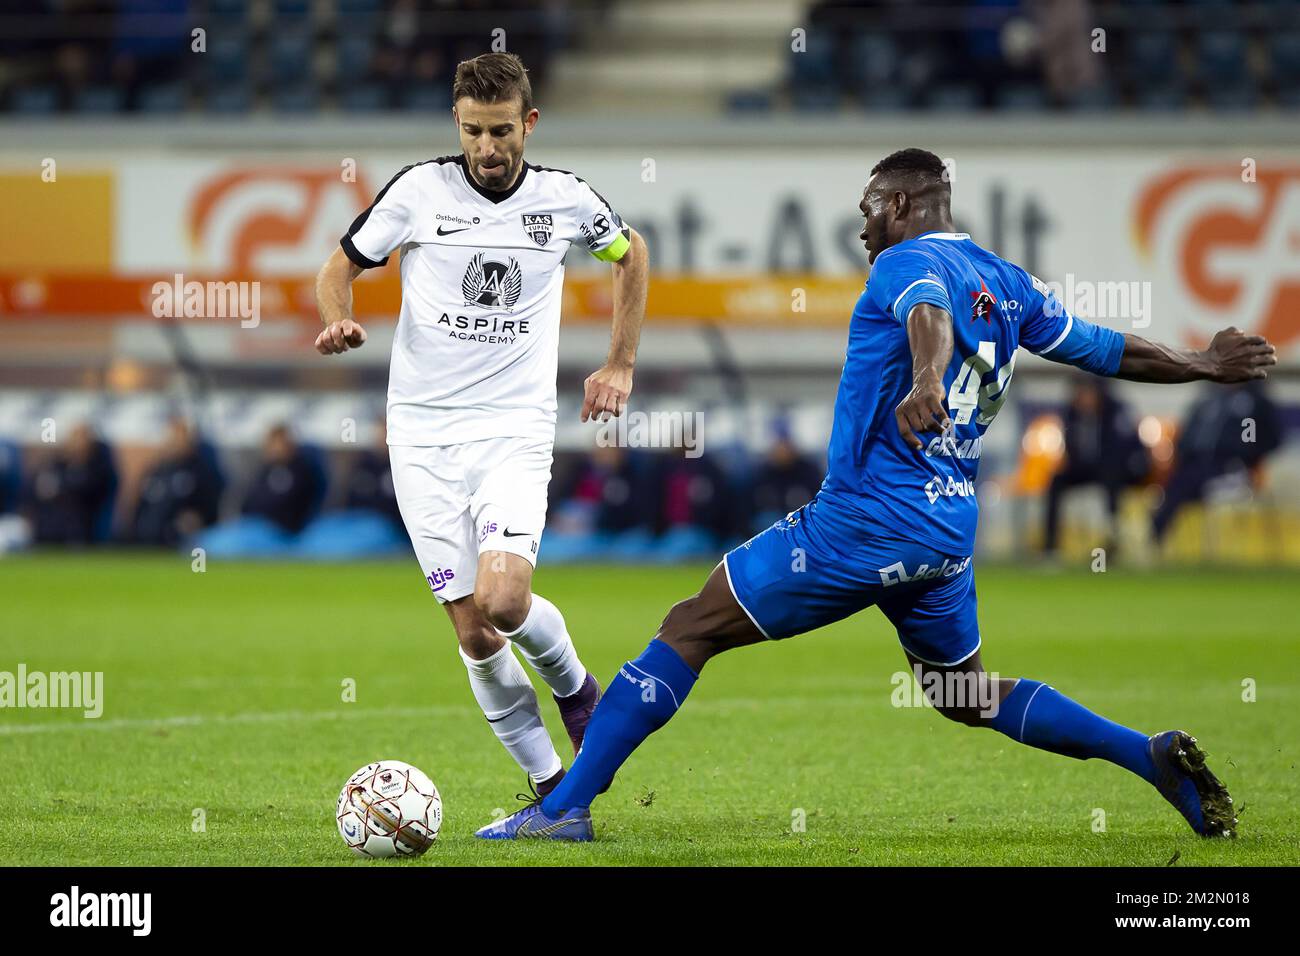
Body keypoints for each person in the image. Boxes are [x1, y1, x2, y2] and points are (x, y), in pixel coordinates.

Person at [477, 148, 1274, 841]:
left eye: (866, 211)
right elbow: (1105, 349)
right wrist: (1201, 362)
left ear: (896, 205)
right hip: (946, 530)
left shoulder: (905, 263)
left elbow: (924, 310)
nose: (861, 230)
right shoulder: (1008, 280)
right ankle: (1146, 755)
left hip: (863, 521)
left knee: (691, 627)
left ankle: (565, 808)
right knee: (962, 692)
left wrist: (927, 376)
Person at [313, 52, 650, 798]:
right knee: (473, 630)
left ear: (528, 123)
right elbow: (337, 266)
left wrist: (619, 362)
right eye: (473, 132)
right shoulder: (417, 191)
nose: (487, 150)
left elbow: (631, 256)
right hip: (422, 435)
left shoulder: (566, 200)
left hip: (512, 428)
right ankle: (551, 787)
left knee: (504, 599)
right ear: (456, 125)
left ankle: (577, 690)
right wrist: (338, 319)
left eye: (501, 132)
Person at [1152, 380, 1283, 544]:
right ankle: (1157, 531)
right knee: (1176, 483)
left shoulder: (1255, 402)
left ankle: (1155, 531)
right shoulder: (1209, 400)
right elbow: (1186, 438)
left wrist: (1249, 453)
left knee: (1182, 485)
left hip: (1235, 468)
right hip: (1197, 465)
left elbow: (1272, 437)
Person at [1042, 376, 1148, 555]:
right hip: (1086, 467)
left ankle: (1112, 538)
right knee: (1056, 481)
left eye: (1088, 392)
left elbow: (1123, 450)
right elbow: (1071, 449)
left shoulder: (1116, 411)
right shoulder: (1071, 413)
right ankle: (1051, 548)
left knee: (1110, 475)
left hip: (1116, 468)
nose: (1083, 397)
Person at [128, 416, 224, 546]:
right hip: (145, 537)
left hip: (181, 539)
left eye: (181, 437)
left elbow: (209, 507)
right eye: (172, 437)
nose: (175, 442)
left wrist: (199, 519)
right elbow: (140, 505)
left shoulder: (201, 472)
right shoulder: (155, 471)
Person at [25, 422, 116, 545]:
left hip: (84, 523)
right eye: (74, 438)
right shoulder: (59, 465)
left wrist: (62, 487)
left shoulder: (98, 467)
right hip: (54, 524)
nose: (77, 443)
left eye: (81, 438)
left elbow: (90, 491)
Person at [240, 424, 322, 535]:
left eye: (279, 442)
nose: (275, 448)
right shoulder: (264, 470)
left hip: (284, 531)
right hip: (255, 526)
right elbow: (249, 501)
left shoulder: (300, 471)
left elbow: (292, 504)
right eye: (272, 443)